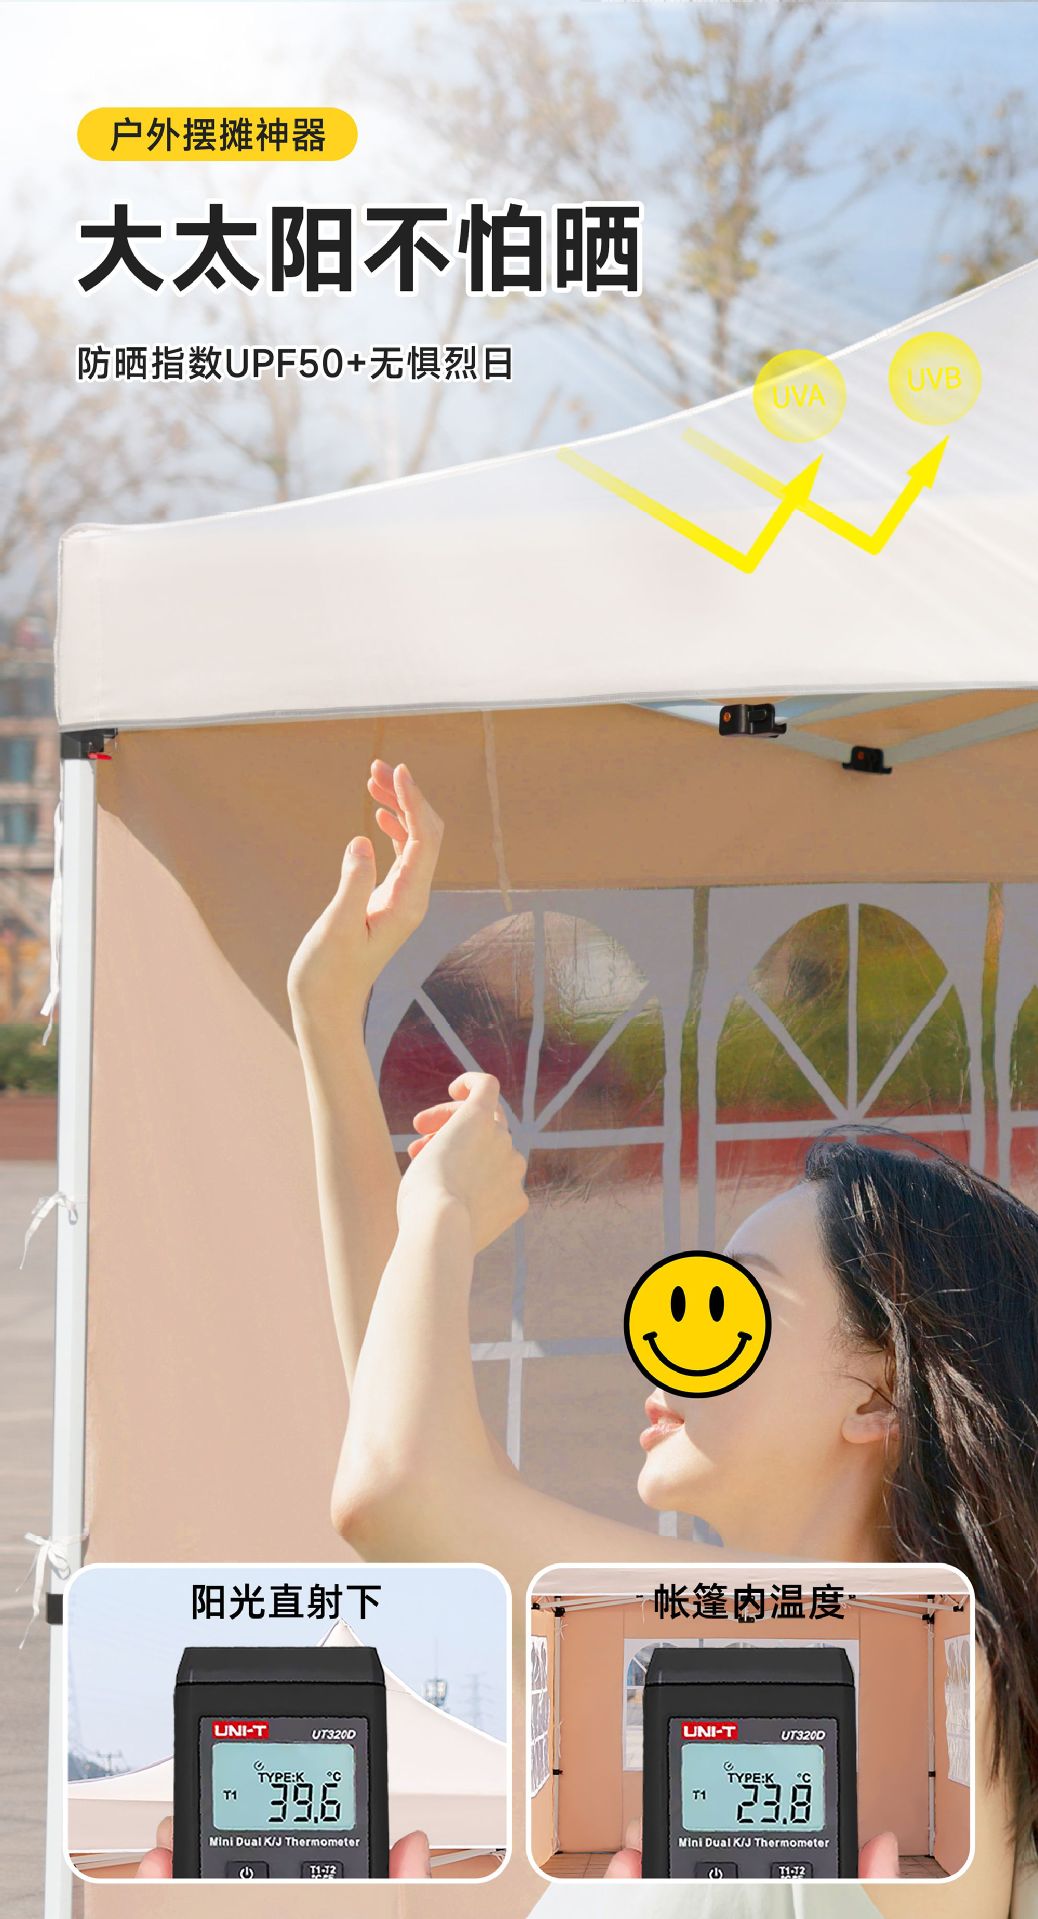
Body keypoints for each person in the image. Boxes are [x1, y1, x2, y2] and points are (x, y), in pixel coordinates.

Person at [287, 761, 1038, 1919]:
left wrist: (442, 1218)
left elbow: (399, 1493)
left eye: (736, 1304)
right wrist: (330, 1022)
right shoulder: (726, 1655)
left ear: (878, 1392)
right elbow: (404, 1476)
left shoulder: (917, 1676)